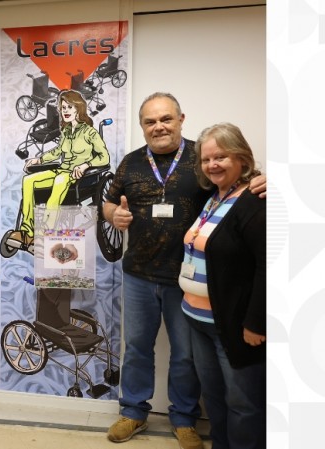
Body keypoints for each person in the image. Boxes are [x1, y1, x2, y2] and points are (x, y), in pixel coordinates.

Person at [102, 92, 266, 449]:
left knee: (185, 355)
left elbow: (235, 184)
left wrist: (264, 180)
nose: (158, 126)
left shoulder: (202, 157)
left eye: (166, 119)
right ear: (142, 126)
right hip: (138, 274)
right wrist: (114, 214)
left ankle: (184, 418)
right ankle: (133, 411)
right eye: (150, 121)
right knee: (137, 348)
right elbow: (108, 202)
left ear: (181, 120)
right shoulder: (130, 162)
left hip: (185, 281)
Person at [179, 123, 266, 449]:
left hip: (233, 326)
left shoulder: (256, 201)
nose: (212, 165)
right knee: (213, 397)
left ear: (242, 158)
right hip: (197, 320)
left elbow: (267, 267)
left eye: (221, 157)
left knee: (243, 404)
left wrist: (256, 322)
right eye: (206, 159)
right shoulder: (214, 197)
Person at [9, 90, 110, 249]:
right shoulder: (66, 131)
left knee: (60, 179)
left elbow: (104, 157)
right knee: (28, 180)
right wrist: (39, 159)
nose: (65, 111)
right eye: (63, 108)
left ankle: (44, 232)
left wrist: (86, 165)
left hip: (80, 176)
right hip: (62, 170)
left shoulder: (90, 132)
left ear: (78, 109)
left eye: (69, 107)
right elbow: (57, 152)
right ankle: (27, 232)